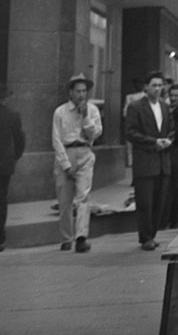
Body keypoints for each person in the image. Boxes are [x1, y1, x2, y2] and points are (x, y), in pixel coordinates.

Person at [51, 73, 102, 253]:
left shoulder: (93, 110)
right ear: (70, 93)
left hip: (85, 153)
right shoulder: (60, 112)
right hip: (66, 153)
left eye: (84, 91)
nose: (82, 95)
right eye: (78, 91)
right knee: (64, 201)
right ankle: (66, 238)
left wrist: (86, 117)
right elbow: (56, 140)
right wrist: (66, 165)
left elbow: (95, 134)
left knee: (83, 197)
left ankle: (81, 237)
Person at [125, 71, 173, 250]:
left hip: (163, 162)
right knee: (145, 202)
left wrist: (168, 140)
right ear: (146, 87)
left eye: (160, 85)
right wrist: (153, 142)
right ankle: (145, 237)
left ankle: (151, 234)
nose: (158, 89)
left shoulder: (165, 107)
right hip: (145, 162)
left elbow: (172, 129)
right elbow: (130, 133)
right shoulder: (136, 107)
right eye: (154, 85)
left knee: (159, 202)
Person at [0, 84, 25, 252]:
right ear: (5, 98)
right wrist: (13, 157)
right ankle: (0, 238)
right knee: (1, 199)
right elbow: (20, 141)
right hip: (4, 165)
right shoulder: (12, 115)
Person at [161, 83, 178, 230]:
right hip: (171, 155)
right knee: (171, 190)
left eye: (176, 96)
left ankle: (175, 221)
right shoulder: (169, 109)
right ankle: (170, 219)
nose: (173, 98)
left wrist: (167, 140)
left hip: (177, 156)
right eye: (171, 95)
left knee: (177, 190)